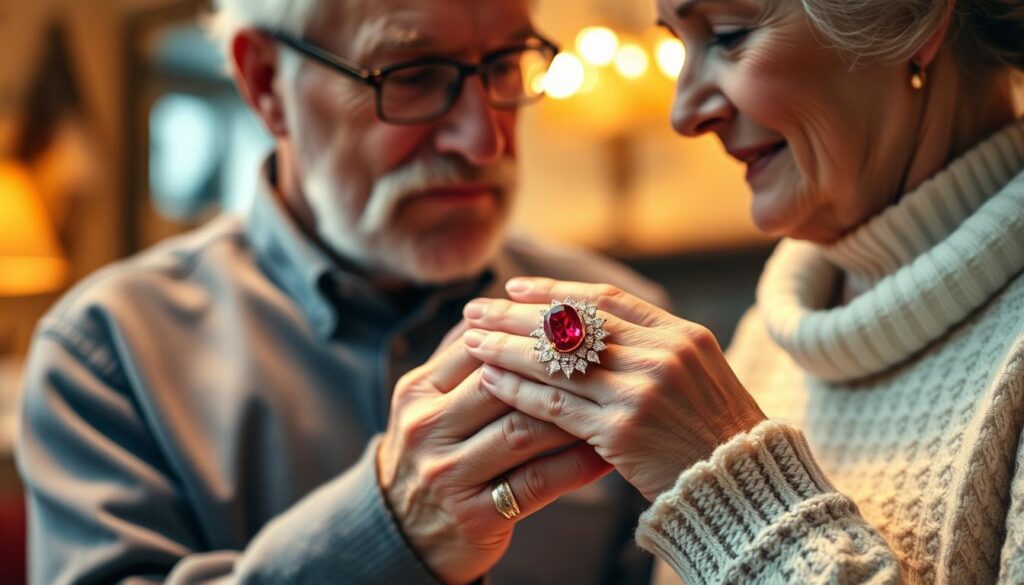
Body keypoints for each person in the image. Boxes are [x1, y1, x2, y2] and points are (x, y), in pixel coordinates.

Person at [14, 0, 670, 583]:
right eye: (413, 75)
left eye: (503, 65)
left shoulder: (620, 325)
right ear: (265, 82)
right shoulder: (107, 355)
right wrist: (386, 535)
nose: (483, 139)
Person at [461, 0, 1024, 583]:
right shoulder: (769, 334)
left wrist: (730, 493)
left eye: (728, 36)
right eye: (678, 43)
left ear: (909, 18)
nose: (683, 114)